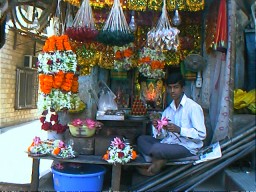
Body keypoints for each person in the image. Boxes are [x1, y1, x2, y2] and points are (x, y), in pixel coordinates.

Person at [137, 72, 206, 175]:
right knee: (141, 139)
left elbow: (201, 135)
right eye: (170, 88)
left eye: (176, 87)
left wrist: (180, 130)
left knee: (157, 148)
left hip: (186, 146)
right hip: (169, 143)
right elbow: (162, 136)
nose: (172, 91)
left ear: (182, 88)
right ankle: (160, 158)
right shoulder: (168, 110)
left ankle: (155, 159)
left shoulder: (193, 107)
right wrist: (158, 128)